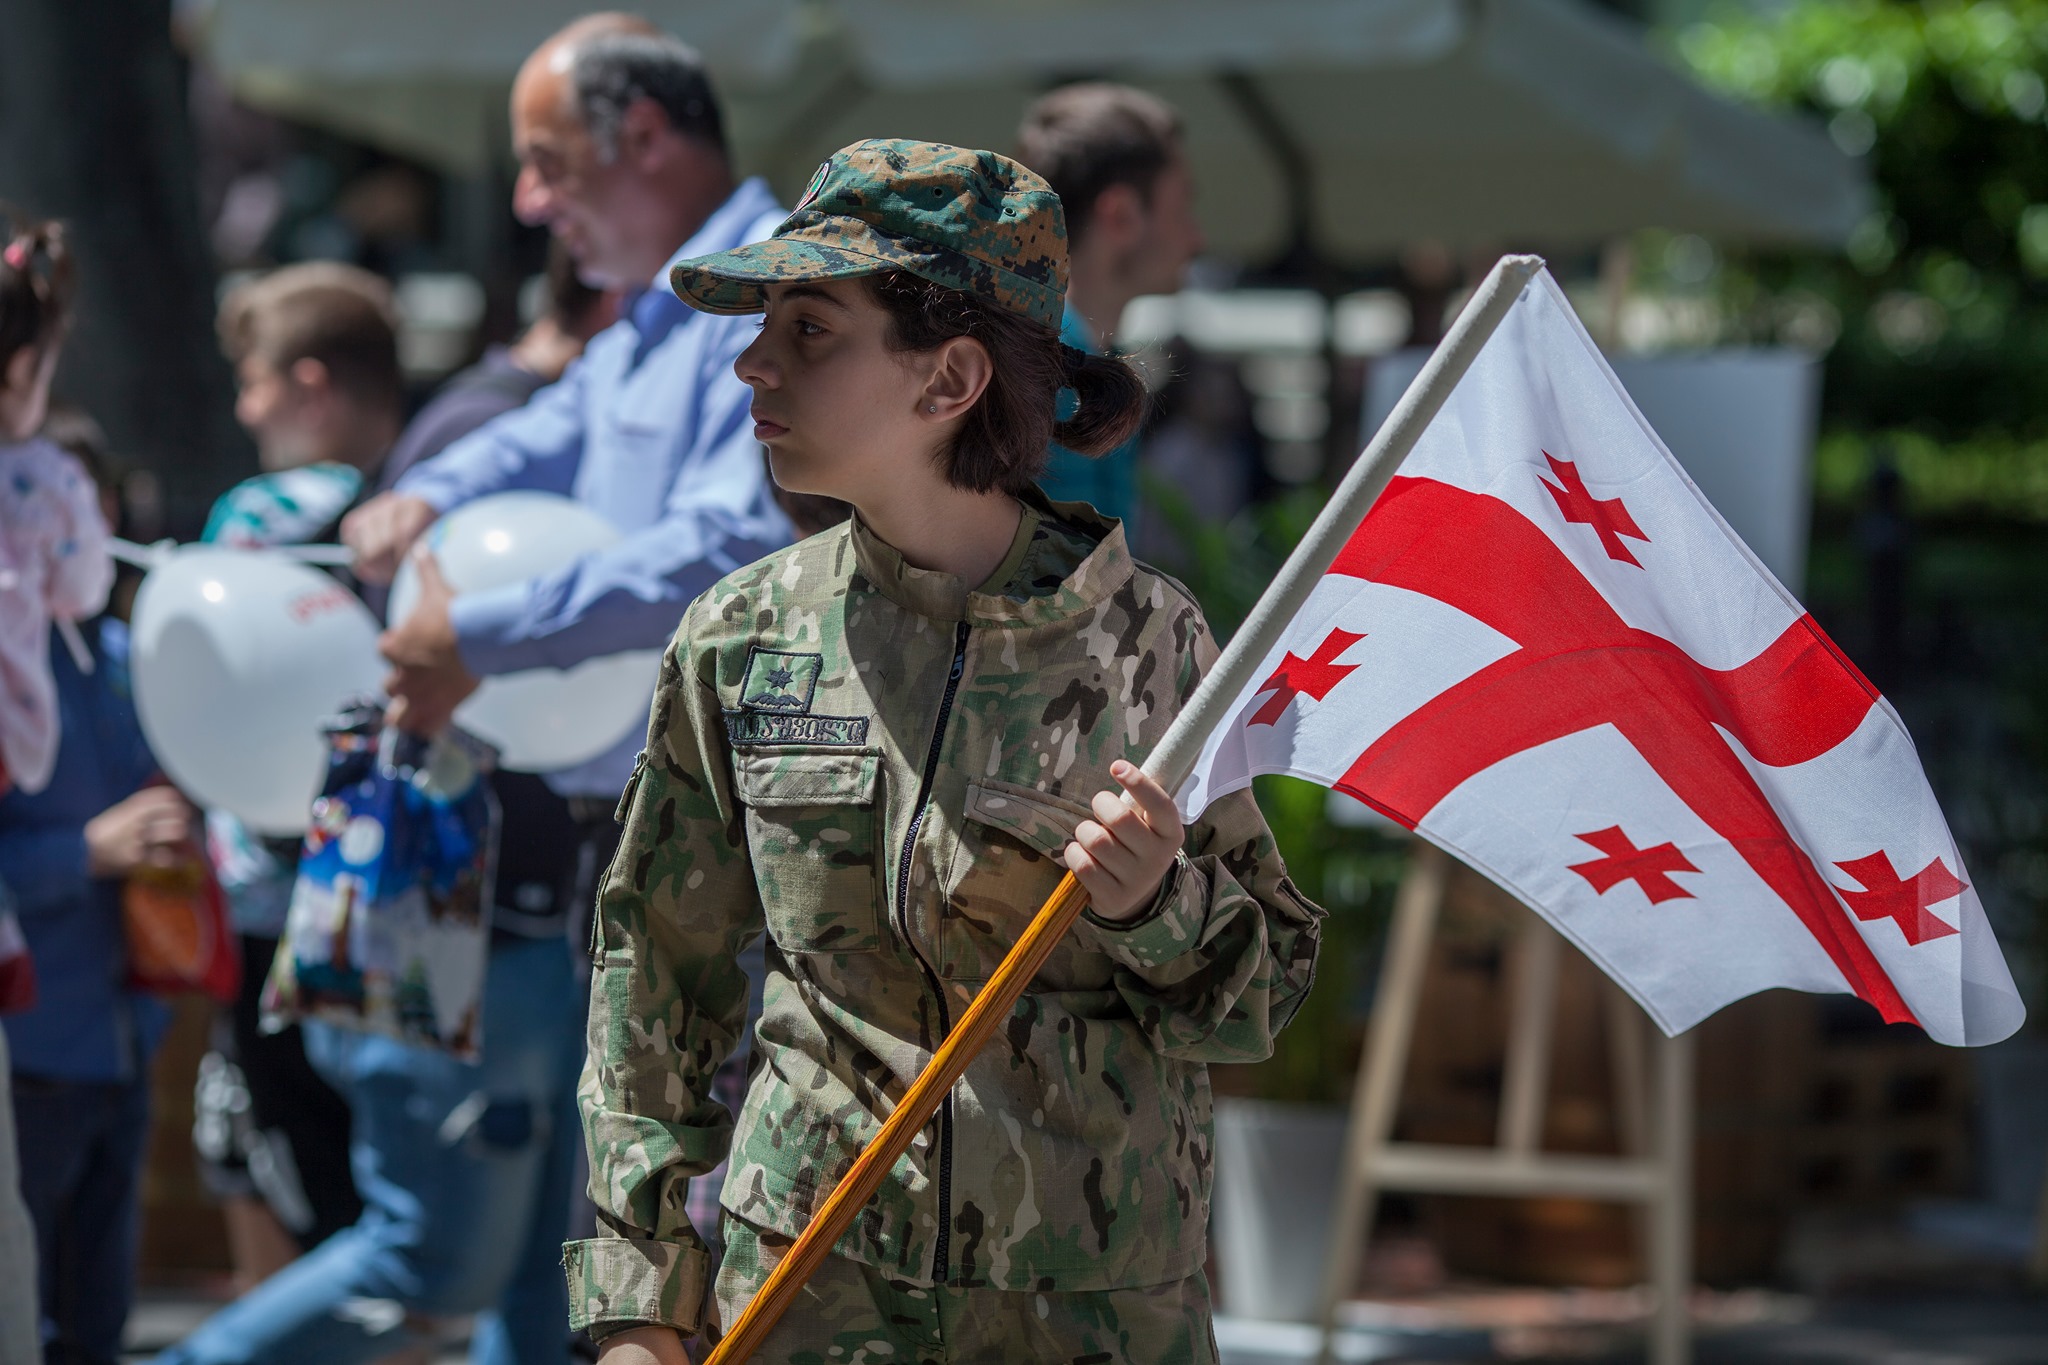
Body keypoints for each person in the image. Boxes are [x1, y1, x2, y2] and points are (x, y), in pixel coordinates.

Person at [567, 140, 1324, 1365]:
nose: (752, 363)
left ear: (951, 378)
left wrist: (1155, 907)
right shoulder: (741, 637)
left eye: (810, 330)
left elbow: (1262, 996)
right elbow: (651, 970)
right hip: (810, 1297)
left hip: (1090, 1315)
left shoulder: (1148, 642)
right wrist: (639, 1302)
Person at [338, 11, 794, 1282]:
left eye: (546, 163)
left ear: (642, 135)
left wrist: (473, 636)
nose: (530, 203)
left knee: (687, 1240)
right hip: (654, 839)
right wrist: (422, 495)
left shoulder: (762, 297)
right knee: (629, 1234)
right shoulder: (659, 309)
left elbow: (719, 550)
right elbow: (545, 429)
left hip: (727, 846)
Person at [162, 256, 597, 1365]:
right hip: (440, 920)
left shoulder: (462, 445)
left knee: (540, 1280)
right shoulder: (467, 445)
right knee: (429, 1270)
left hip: (470, 916)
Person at [1014, 83, 1206, 529]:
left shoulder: (1045, 353)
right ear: (1120, 215)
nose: (1197, 239)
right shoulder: (1034, 369)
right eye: (1183, 208)